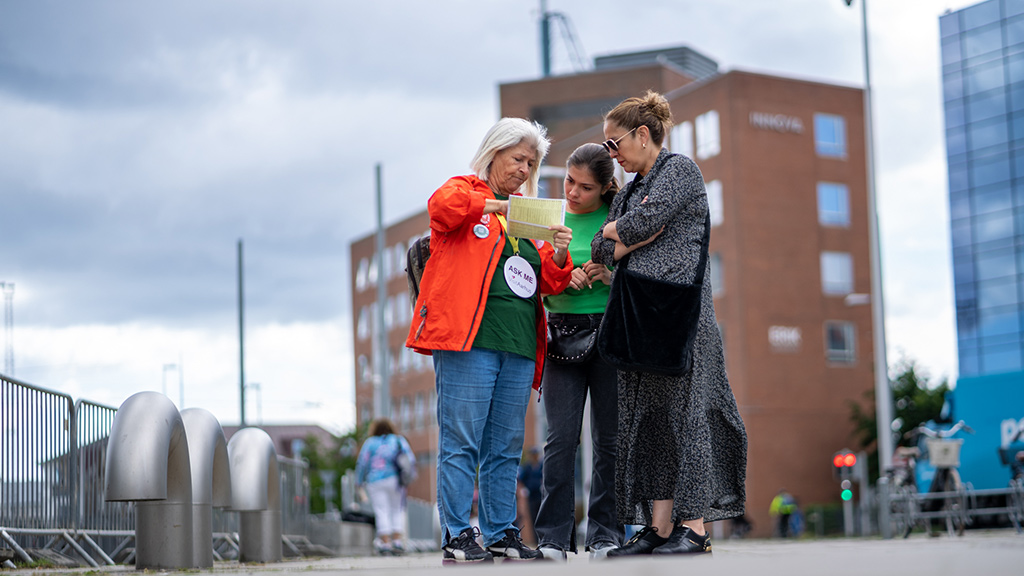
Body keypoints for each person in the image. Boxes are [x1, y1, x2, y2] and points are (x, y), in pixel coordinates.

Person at [405, 117, 574, 563]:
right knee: (461, 441)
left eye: (531, 163)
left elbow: (549, 280)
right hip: (469, 340)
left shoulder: (526, 214)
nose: (524, 169)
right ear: (493, 153)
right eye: (518, 158)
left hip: (518, 344)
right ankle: (458, 534)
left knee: (505, 447)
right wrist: (495, 206)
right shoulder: (465, 190)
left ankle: (501, 532)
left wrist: (559, 250)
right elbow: (441, 208)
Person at [592, 91, 748, 556]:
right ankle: (659, 528)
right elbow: (602, 249)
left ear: (642, 134)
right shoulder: (630, 191)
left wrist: (623, 234)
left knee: (687, 416)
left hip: (682, 319)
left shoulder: (679, 170)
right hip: (638, 319)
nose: (612, 155)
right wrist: (622, 234)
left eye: (615, 143)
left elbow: (644, 223)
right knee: (650, 422)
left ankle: (694, 528)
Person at [534, 143, 624, 561]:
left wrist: (610, 274)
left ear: (604, 188)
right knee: (560, 440)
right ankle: (552, 538)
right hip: (561, 334)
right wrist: (559, 276)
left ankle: (605, 535)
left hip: (610, 334)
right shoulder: (550, 218)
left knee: (609, 441)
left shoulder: (618, 218)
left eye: (585, 187)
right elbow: (529, 280)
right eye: (570, 181)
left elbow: (639, 273)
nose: (572, 192)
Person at [354, 418, 417, 556]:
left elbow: (362, 463)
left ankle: (386, 543)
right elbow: (410, 459)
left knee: (381, 510)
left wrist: (358, 481)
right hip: (396, 480)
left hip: (375, 480)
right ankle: (397, 542)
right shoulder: (398, 440)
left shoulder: (370, 443)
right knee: (397, 509)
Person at [517, 446, 543, 539]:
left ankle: (542, 538)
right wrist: (524, 489)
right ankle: (536, 539)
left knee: (542, 516)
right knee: (533, 517)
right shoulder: (527, 467)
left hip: (541, 495)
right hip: (532, 496)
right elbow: (521, 479)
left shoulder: (541, 466)